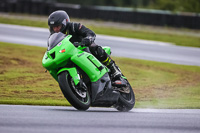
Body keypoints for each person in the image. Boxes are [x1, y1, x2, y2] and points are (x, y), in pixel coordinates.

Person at [48, 10, 122, 79]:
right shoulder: (53, 37)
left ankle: (114, 68)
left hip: (83, 49)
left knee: (93, 46)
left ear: (65, 23)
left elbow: (90, 33)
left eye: (57, 26)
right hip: (69, 54)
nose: (56, 29)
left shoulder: (74, 27)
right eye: (54, 27)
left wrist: (87, 39)